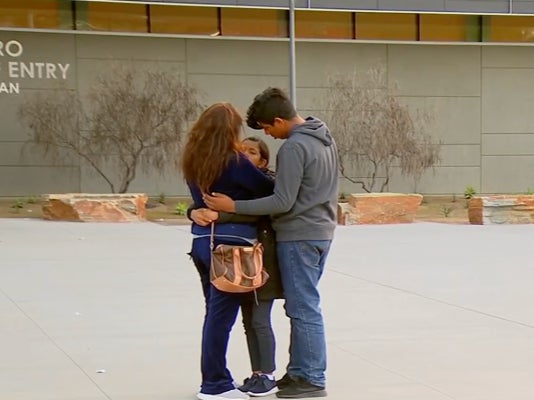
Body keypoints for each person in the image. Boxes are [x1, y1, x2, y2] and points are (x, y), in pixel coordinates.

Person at [204, 87, 339, 399]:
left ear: (279, 120)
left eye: (267, 128)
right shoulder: (323, 138)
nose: (269, 135)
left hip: (299, 235)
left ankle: (311, 378)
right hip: (321, 232)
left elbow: (282, 200)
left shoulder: (295, 146)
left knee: (303, 308)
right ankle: (299, 372)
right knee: (302, 306)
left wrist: (231, 207)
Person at [182, 103, 275, 400]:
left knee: (213, 314)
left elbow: (199, 204)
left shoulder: (191, 160)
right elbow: (271, 192)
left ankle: (216, 379)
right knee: (221, 317)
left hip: (201, 242)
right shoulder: (235, 161)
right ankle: (214, 384)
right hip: (232, 246)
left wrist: (193, 212)